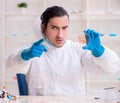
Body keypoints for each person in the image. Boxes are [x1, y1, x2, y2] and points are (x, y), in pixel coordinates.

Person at [7, 6, 120, 96]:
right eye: (54, 28)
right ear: (43, 28)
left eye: (64, 28)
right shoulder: (33, 50)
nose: (60, 35)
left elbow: (110, 70)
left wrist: (99, 51)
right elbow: (11, 65)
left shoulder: (78, 49)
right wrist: (25, 55)